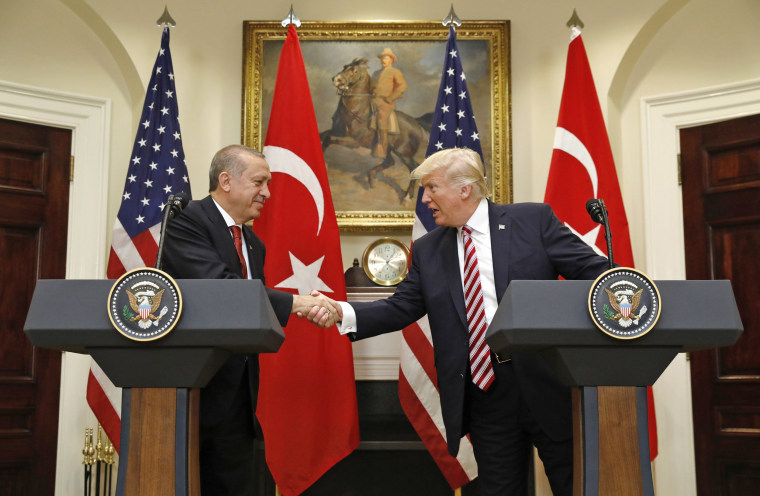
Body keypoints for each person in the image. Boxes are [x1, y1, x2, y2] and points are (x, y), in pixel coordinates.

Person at [310, 147, 611, 496]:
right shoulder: (428, 249)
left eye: (432, 188)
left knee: (576, 485)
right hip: (485, 392)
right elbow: (402, 306)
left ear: (464, 189)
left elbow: (596, 276)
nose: (425, 199)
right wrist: (340, 311)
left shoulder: (533, 221)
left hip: (547, 380)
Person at [162, 144, 336, 496]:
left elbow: (250, 311)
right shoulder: (189, 223)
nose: (267, 193)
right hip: (194, 391)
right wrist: (300, 303)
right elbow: (223, 291)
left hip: (238, 396)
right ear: (226, 181)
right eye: (260, 182)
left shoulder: (253, 242)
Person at [370, 47, 408, 159]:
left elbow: (403, 86)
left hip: (385, 102)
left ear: (391, 60)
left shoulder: (395, 72)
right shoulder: (376, 73)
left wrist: (391, 98)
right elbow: (371, 86)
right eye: (382, 58)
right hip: (373, 100)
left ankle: (382, 149)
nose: (383, 60)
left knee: (381, 120)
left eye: (386, 58)